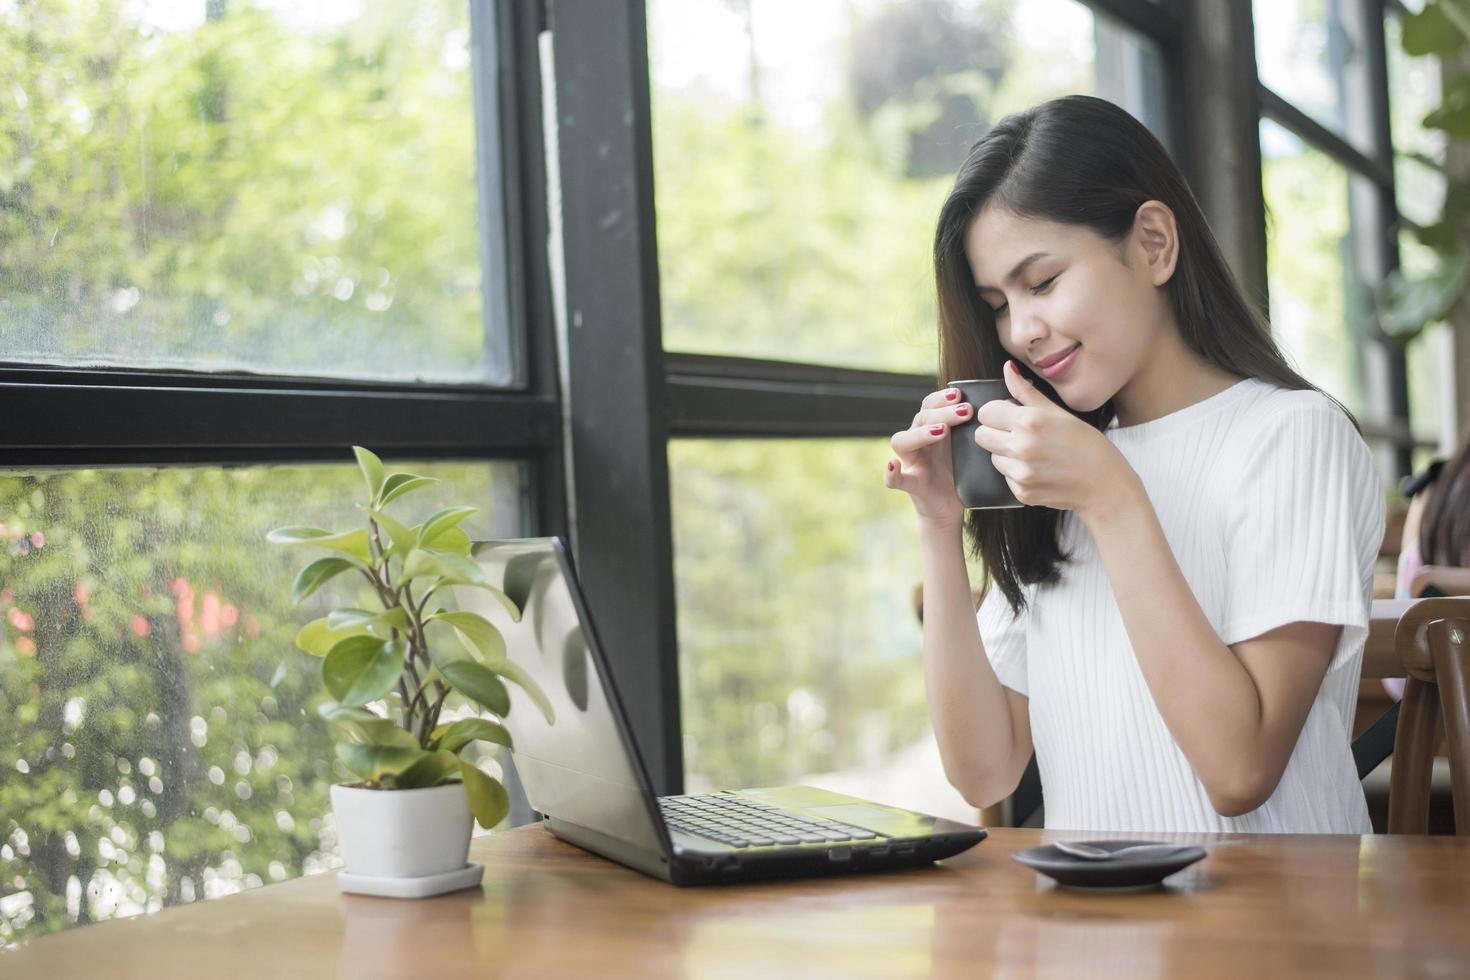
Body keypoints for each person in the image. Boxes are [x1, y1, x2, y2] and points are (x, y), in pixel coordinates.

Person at [883, 95, 1383, 834]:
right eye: (997, 303)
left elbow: (1239, 771)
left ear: (1152, 242)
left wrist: (1113, 500)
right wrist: (937, 521)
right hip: (1088, 935)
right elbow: (983, 770)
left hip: (1275, 936)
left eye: (1043, 282)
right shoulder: (1057, 463)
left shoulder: (1294, 437)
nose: (1020, 331)